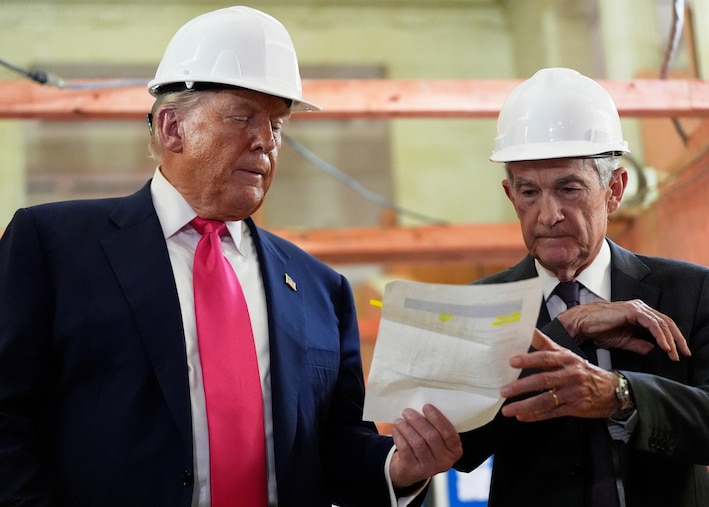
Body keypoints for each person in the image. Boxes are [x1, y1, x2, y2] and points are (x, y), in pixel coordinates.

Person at [0, 7, 461, 507]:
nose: (265, 140)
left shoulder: (321, 290)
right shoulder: (53, 247)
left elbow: (335, 445)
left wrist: (399, 468)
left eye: (277, 123)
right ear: (172, 127)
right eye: (243, 117)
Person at [453, 67, 709, 506]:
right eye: (529, 193)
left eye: (569, 188)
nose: (548, 214)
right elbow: (464, 446)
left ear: (614, 190)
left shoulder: (686, 290)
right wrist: (568, 327)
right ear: (510, 195)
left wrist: (622, 395)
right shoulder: (481, 305)